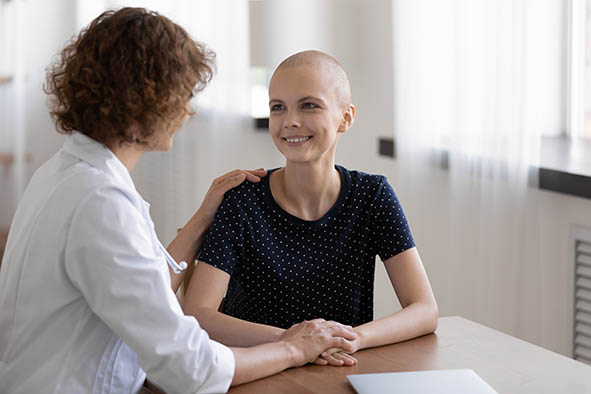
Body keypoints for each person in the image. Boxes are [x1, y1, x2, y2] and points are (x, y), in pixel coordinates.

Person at [0, 10, 358, 394]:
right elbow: (190, 368)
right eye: (183, 95)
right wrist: (292, 348)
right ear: (145, 99)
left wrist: (203, 218)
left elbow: (140, 286)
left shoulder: (65, 173)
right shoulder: (100, 202)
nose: (187, 111)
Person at [182, 50, 439, 366]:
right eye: (278, 107)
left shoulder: (372, 196)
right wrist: (292, 341)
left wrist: (352, 338)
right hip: (256, 373)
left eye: (309, 105)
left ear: (346, 117)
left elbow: (424, 309)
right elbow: (197, 315)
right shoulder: (241, 200)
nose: (290, 121)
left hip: (338, 372)